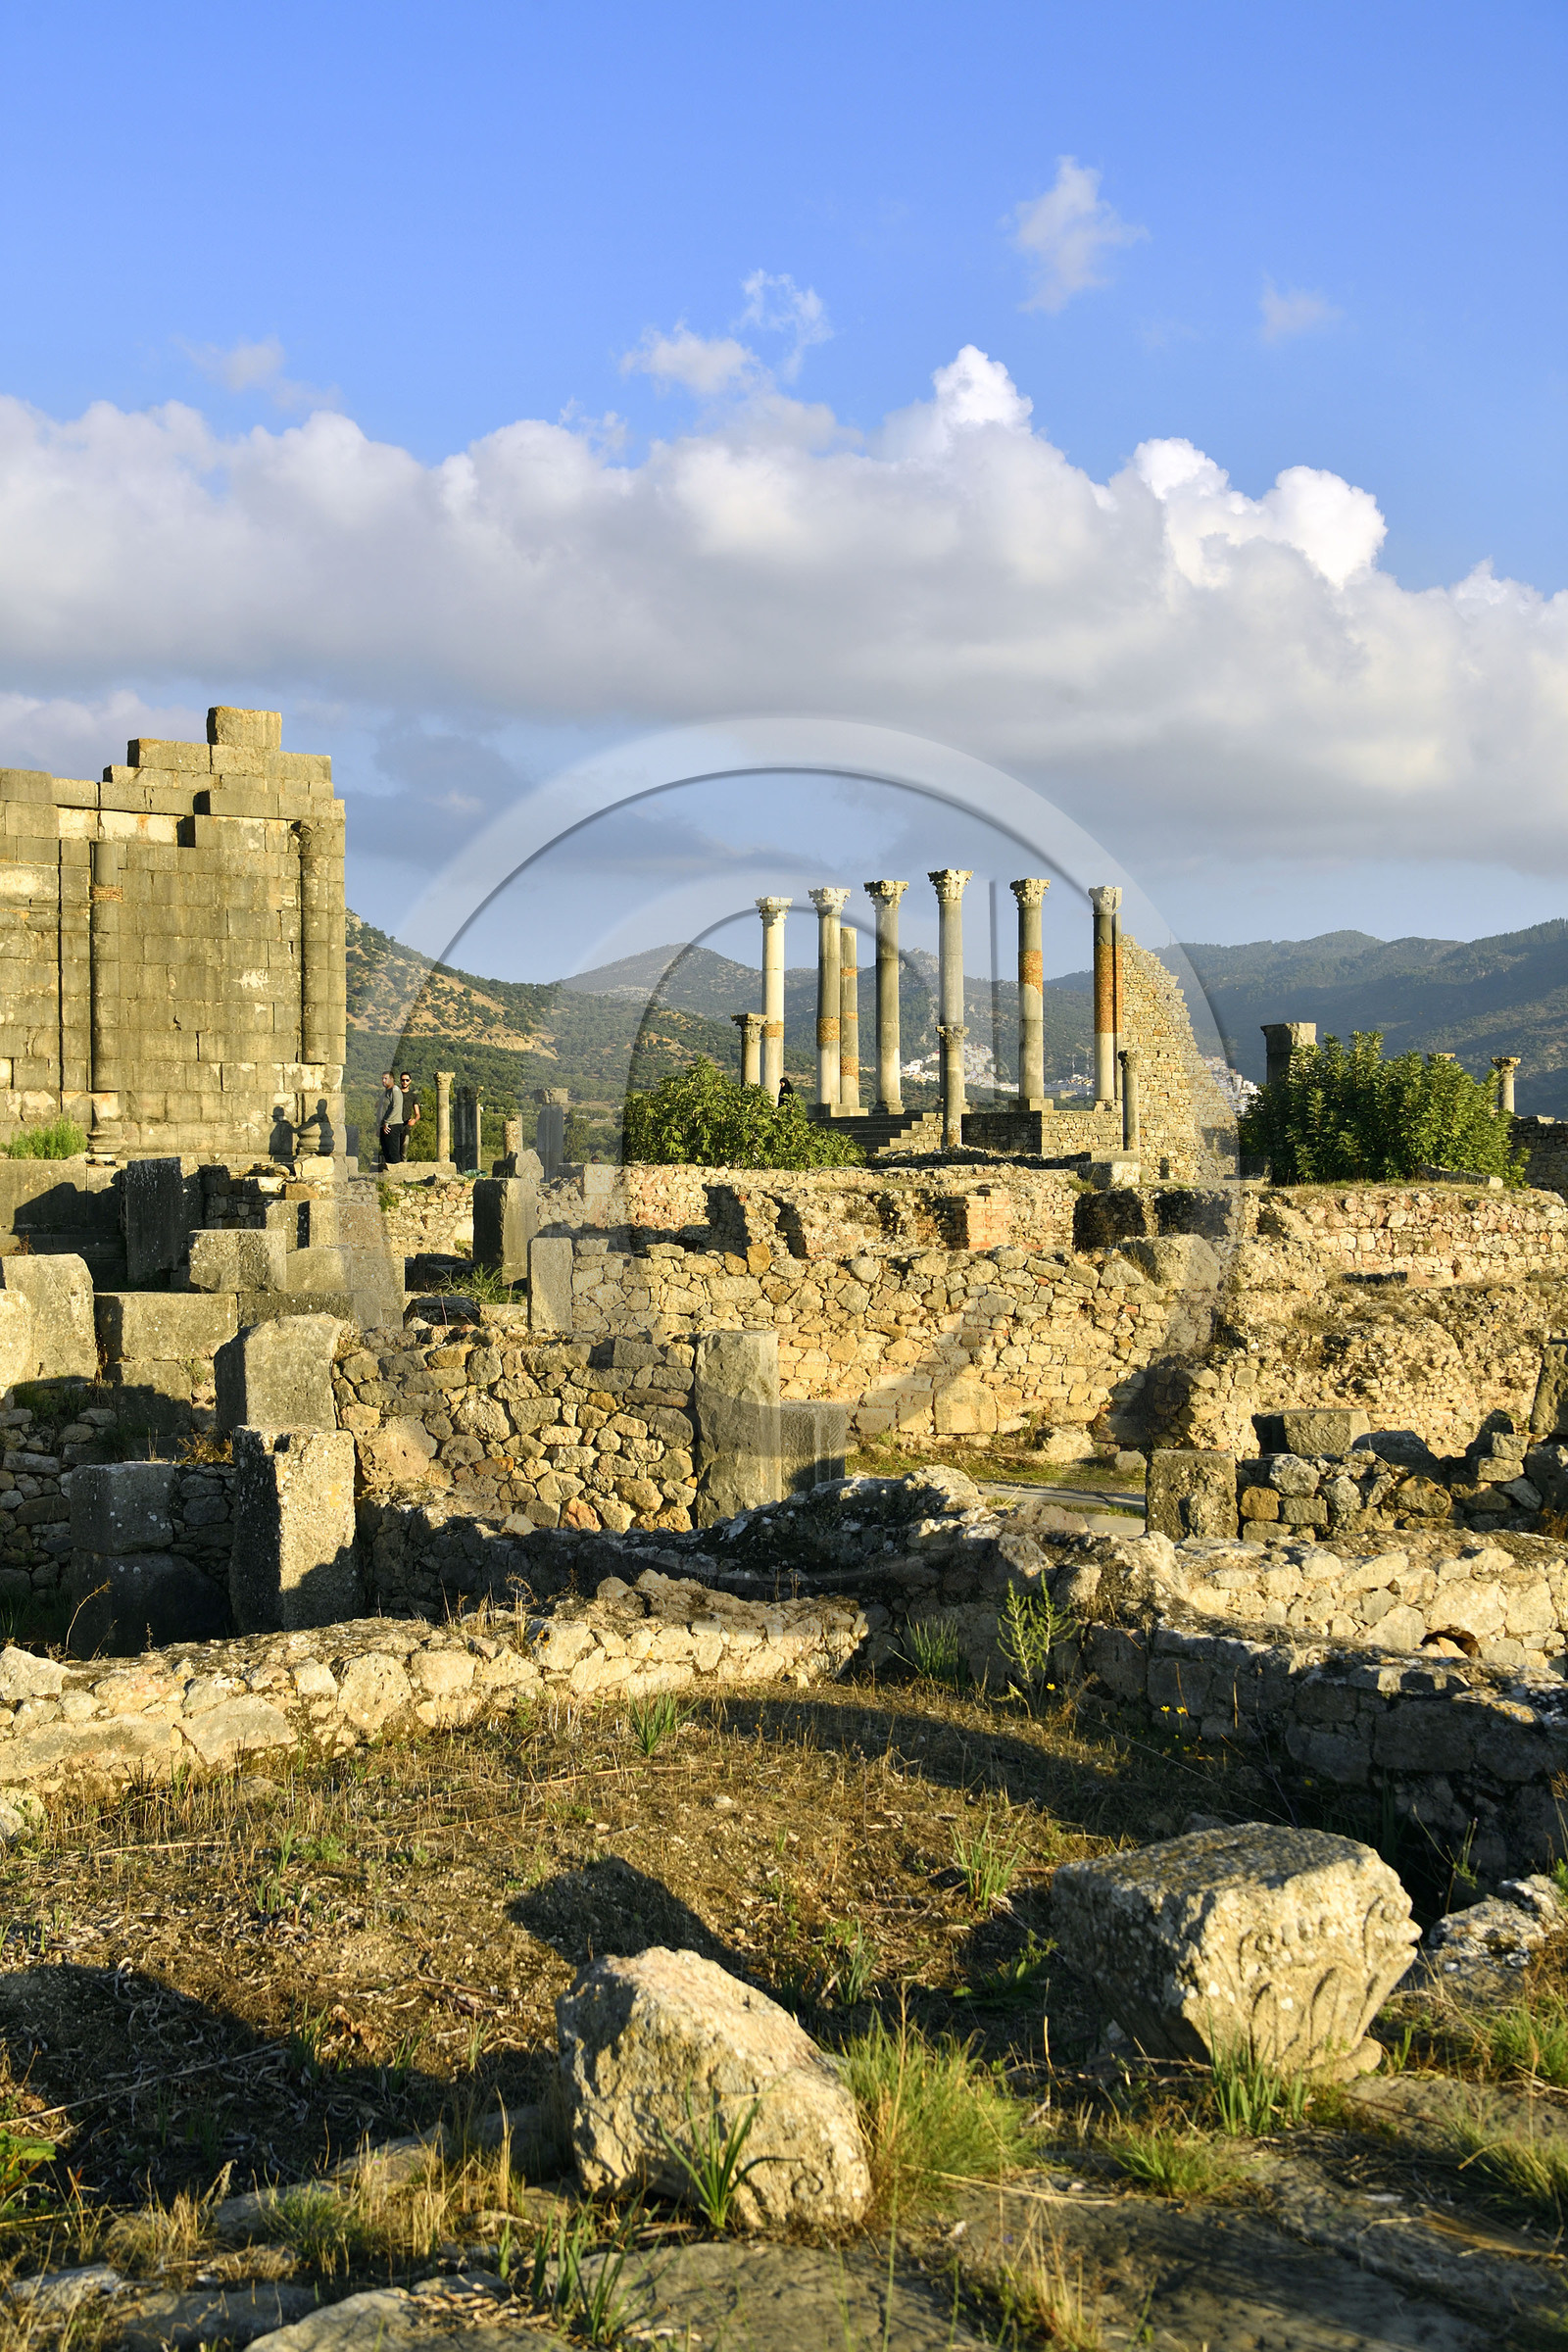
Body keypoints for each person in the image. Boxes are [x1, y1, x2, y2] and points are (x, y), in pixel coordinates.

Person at [378, 1071, 406, 1166]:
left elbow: (396, 1107)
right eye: (382, 1078)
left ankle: (398, 1176)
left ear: (392, 1079)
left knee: (393, 1153)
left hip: (392, 1125)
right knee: (386, 1153)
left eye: (386, 1078)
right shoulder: (386, 1092)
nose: (383, 1081)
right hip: (384, 1125)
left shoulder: (395, 1090)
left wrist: (387, 1122)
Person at [401, 1074, 421, 1152]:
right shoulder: (395, 1094)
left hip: (406, 1125)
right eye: (403, 1080)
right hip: (395, 1124)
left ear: (410, 1081)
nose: (405, 1082)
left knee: (404, 1150)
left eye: (407, 1080)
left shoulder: (413, 1096)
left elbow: (417, 1114)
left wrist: (414, 1120)